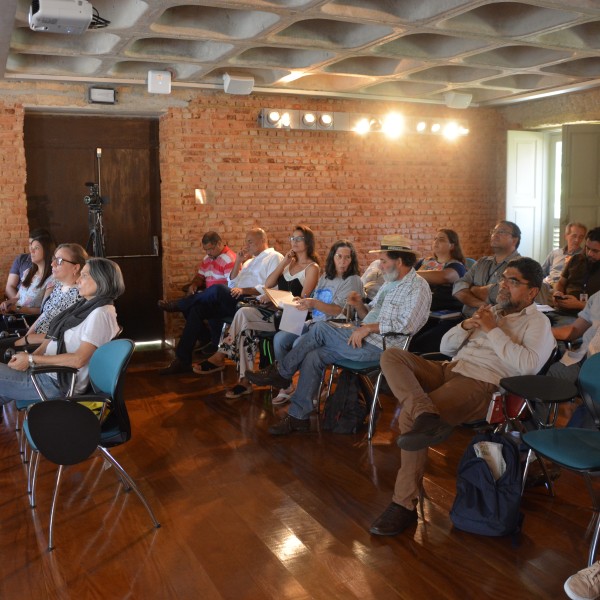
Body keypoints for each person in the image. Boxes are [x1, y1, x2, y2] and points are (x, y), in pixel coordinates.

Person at [368, 257, 554, 537]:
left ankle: (403, 504)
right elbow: (446, 347)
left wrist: (491, 329)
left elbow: (528, 365)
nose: (504, 285)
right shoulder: (493, 311)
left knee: (408, 417)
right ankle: (425, 413)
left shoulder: (538, 324)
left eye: (513, 282)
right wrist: (469, 325)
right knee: (392, 356)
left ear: (532, 292)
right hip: (450, 369)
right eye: (504, 278)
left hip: (482, 383)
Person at [245, 234, 432, 435]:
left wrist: (367, 328)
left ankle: (282, 373)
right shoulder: (390, 283)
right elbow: (368, 315)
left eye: (384, 261)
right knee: (313, 356)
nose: (381, 266)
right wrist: (359, 305)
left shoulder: (418, 287)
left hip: (382, 348)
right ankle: (298, 417)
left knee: (320, 328)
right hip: (361, 338)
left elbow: (407, 325)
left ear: (400, 261)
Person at [193, 225, 320, 398]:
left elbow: (302, 300)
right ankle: (244, 380)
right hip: (276, 311)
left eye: (299, 239)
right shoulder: (288, 264)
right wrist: (283, 264)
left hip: (294, 317)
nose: (294, 242)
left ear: (308, 242)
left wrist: (275, 297)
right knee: (244, 316)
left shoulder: (312, 268)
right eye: (292, 238)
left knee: (244, 320)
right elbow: (268, 284)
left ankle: (226, 357)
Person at [158, 228, 282, 375]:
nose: (247, 245)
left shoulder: (274, 257)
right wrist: (238, 262)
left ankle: (180, 304)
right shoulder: (249, 261)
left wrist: (244, 291)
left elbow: (271, 287)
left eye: (250, 241)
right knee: (196, 310)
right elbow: (232, 284)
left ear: (263, 240)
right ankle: (182, 360)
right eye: (246, 241)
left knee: (217, 289)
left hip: (253, 303)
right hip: (236, 299)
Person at [0, 257, 124, 404]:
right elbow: (54, 339)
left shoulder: (101, 313)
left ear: (101, 279)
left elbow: (78, 359)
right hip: (45, 372)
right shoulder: (85, 306)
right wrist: (32, 358)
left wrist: (31, 359)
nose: (78, 280)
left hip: (56, 383)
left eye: (84, 276)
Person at [270, 239, 364, 405]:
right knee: (279, 339)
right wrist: (304, 301)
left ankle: (312, 388)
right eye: (339, 256)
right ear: (332, 257)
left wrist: (313, 303)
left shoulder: (353, 279)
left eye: (347, 258)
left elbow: (339, 311)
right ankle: (286, 384)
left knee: (299, 342)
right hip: (314, 322)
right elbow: (315, 301)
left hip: (334, 328)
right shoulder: (325, 277)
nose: (342, 261)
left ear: (352, 260)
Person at [0, 244, 87, 358]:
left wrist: (26, 340)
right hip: (32, 338)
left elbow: (62, 336)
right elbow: (44, 315)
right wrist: (26, 335)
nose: (52, 264)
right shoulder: (58, 287)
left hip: (46, 349)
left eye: (59, 261)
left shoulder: (78, 297)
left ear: (75, 268)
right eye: (53, 259)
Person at [409, 229, 467, 353]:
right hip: (421, 313)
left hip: (445, 317)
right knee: (405, 339)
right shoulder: (424, 262)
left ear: (452, 245)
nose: (436, 242)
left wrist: (410, 274)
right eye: (435, 239)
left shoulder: (457, 266)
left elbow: (444, 276)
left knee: (421, 344)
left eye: (441, 239)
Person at [452, 220, 521, 317]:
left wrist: (471, 288)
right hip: (466, 319)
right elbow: (458, 287)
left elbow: (502, 295)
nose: (495, 235)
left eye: (501, 232)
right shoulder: (482, 262)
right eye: (494, 231)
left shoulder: (521, 266)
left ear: (514, 240)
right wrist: (481, 304)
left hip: (497, 323)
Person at [158, 231, 236, 315]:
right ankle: (183, 306)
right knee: (192, 309)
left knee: (216, 289)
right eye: (205, 250)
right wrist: (194, 284)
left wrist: (208, 293)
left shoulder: (229, 259)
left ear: (219, 243)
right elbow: (200, 277)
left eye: (210, 249)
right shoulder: (207, 258)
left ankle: (178, 304)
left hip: (223, 300)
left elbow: (231, 285)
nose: (208, 253)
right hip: (209, 298)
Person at [0, 230, 55, 319]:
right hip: (16, 315)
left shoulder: (52, 279)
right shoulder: (28, 272)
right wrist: (8, 303)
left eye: (36, 248)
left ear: (46, 250)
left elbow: (43, 309)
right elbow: (17, 298)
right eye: (31, 247)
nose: (31, 251)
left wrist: (16, 308)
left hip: (29, 320)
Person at [552, 226, 600, 318]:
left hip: (588, 317)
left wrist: (579, 304)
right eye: (587, 248)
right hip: (562, 311)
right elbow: (561, 283)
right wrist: (557, 293)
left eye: (595, 251)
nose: (589, 253)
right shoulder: (576, 259)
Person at [4, 228, 53, 301]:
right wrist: (16, 305)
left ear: (46, 249)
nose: (31, 249)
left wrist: (19, 307)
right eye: (30, 244)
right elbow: (10, 287)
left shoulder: (53, 273)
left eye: (36, 247)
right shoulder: (25, 267)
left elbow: (43, 307)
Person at [541, 222, 587, 287]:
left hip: (567, 288)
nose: (577, 240)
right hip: (548, 286)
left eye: (581, 237)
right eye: (574, 236)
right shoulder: (555, 253)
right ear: (566, 236)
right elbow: (541, 273)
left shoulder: (583, 256)